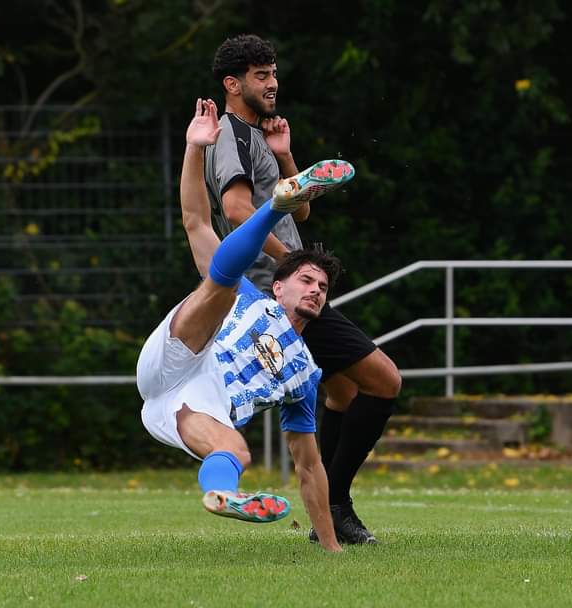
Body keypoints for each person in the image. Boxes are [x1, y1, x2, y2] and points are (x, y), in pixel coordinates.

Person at [205, 34, 402, 545]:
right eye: (261, 75)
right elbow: (236, 211)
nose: (273, 83)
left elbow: (302, 208)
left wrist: (287, 157)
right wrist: (289, 263)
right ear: (233, 84)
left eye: (273, 72)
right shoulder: (230, 136)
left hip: (288, 283)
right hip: (272, 296)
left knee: (340, 391)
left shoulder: (258, 136)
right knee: (384, 381)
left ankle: (331, 508)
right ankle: (334, 506)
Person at [137, 97, 356, 553]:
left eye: (323, 286)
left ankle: (225, 494)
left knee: (235, 451)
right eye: (305, 279)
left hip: (190, 406)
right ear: (278, 287)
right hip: (180, 353)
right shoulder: (255, 297)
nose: (316, 289)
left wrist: (332, 548)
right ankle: (275, 207)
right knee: (223, 283)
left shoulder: (305, 374)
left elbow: (310, 467)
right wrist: (195, 148)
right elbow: (196, 221)